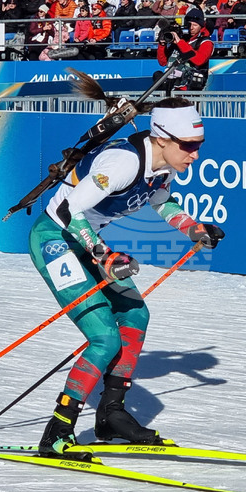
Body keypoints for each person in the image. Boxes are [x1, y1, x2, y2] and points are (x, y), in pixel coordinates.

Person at [29, 97, 225, 456]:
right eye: (189, 146)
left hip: (87, 240)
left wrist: (194, 229)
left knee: (136, 314)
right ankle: (57, 431)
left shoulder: (163, 165)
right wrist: (104, 256)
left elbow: (160, 201)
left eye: (199, 146)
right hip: (56, 239)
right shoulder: (122, 163)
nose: (195, 154)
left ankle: (111, 415)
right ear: (163, 138)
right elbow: (71, 209)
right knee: (104, 337)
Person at [154, 6, 214, 91]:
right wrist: (162, 44)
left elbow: (200, 60)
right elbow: (163, 62)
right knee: (157, 76)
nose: (191, 28)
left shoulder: (206, 42)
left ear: (201, 26)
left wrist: (180, 42)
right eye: (189, 24)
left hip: (190, 88)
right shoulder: (182, 39)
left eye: (195, 25)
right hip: (171, 86)